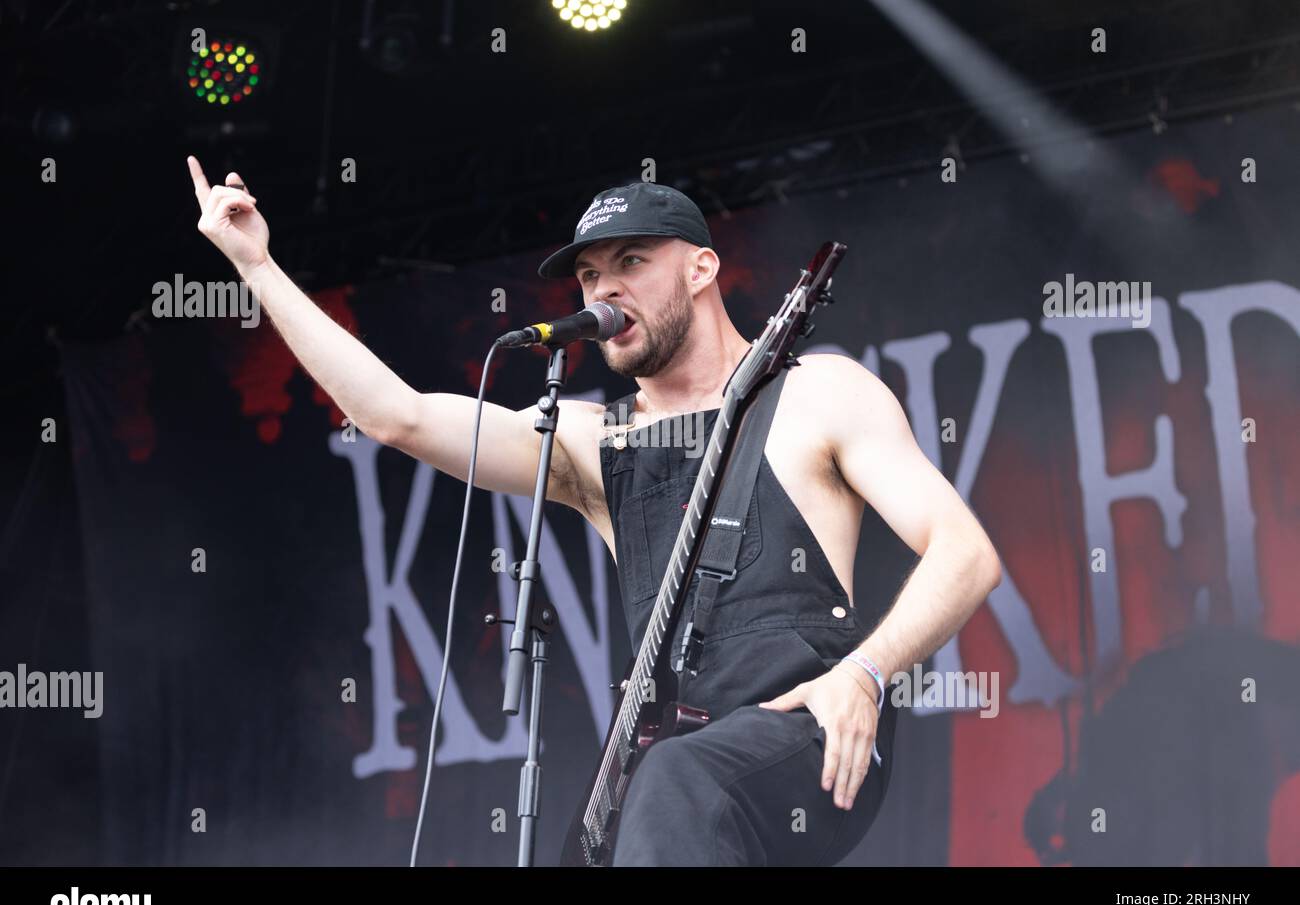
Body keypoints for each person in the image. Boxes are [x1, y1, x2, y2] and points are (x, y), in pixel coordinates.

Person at [187, 158, 1002, 865]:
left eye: (631, 261)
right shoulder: (591, 441)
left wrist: (865, 673)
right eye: (588, 276)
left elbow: (965, 551)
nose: (604, 288)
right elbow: (395, 415)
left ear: (701, 269)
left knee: (677, 780)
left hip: (810, 732)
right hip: (671, 764)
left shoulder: (820, 393)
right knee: (645, 802)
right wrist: (258, 269)